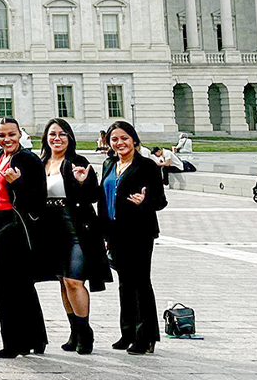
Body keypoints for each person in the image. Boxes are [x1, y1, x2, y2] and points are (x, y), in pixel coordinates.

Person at [0, 118, 51, 358]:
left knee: (5, 280)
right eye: (2, 135)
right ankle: (36, 338)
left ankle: (15, 342)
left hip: (17, 223)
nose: (7, 140)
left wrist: (17, 183)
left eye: (11, 135)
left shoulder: (28, 159)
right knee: (20, 282)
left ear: (20, 134)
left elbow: (37, 196)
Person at [39, 118, 110, 355]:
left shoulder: (78, 162)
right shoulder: (41, 163)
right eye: (52, 134)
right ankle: (74, 331)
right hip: (51, 230)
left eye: (62, 134)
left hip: (77, 228)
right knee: (63, 281)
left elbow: (93, 195)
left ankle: (85, 331)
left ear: (69, 138)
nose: (56, 139)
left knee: (74, 280)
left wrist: (82, 182)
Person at [100, 121, 168, 355]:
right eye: (114, 139)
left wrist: (144, 202)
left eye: (124, 138)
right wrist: (104, 232)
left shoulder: (146, 165)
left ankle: (146, 336)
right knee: (124, 284)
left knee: (140, 283)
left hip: (139, 232)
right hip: (115, 231)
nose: (120, 143)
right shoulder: (109, 164)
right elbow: (103, 199)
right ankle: (127, 331)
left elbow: (160, 200)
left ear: (134, 140)